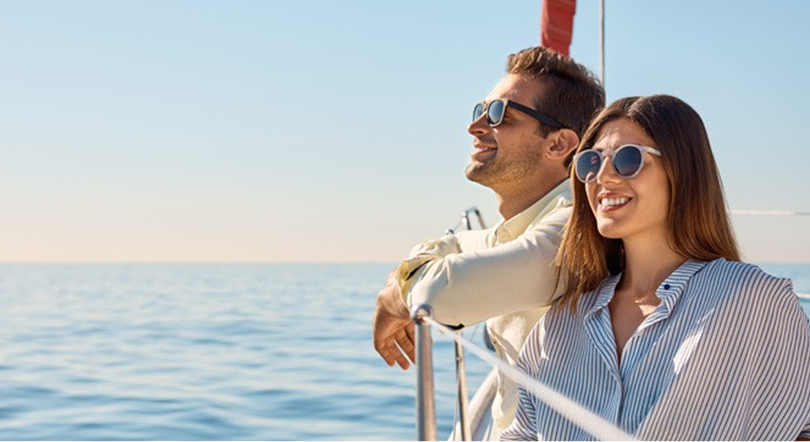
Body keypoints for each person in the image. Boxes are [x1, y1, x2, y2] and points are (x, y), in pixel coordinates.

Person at [501, 95, 810, 441]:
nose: (603, 176)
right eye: (591, 162)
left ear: (682, 170)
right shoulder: (559, 325)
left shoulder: (754, 300)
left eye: (628, 159)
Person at [372, 46, 604, 438]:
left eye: (499, 114)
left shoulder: (575, 226)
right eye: (480, 109)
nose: (476, 126)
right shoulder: (525, 227)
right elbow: (457, 244)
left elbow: (440, 291)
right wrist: (417, 270)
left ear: (559, 145)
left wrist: (389, 298)